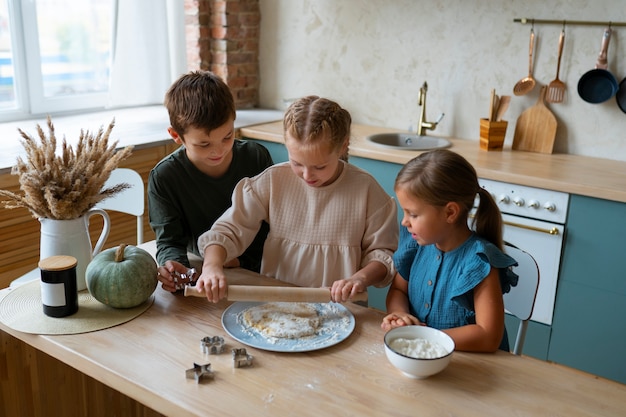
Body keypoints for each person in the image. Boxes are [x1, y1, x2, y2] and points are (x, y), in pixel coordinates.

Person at [194, 95, 399, 303]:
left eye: (319, 166)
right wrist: (211, 267)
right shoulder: (273, 182)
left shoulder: (367, 190)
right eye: (297, 163)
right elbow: (226, 231)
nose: (307, 175)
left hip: (340, 309)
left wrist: (360, 278)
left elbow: (383, 255)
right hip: (278, 305)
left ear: (343, 146)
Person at [381, 149, 518, 352]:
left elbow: (488, 337)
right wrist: (400, 315)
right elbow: (398, 290)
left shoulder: (479, 261)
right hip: (422, 357)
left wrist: (424, 337)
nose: (404, 221)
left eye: (413, 214)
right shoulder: (417, 245)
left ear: (450, 212)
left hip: (474, 371)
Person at [149, 70, 273, 292]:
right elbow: (169, 241)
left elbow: (271, 226)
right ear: (176, 136)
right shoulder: (165, 176)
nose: (219, 151)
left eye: (227, 136)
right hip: (201, 273)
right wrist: (174, 267)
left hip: (256, 271)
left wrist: (242, 261)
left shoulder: (256, 157)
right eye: (204, 144)